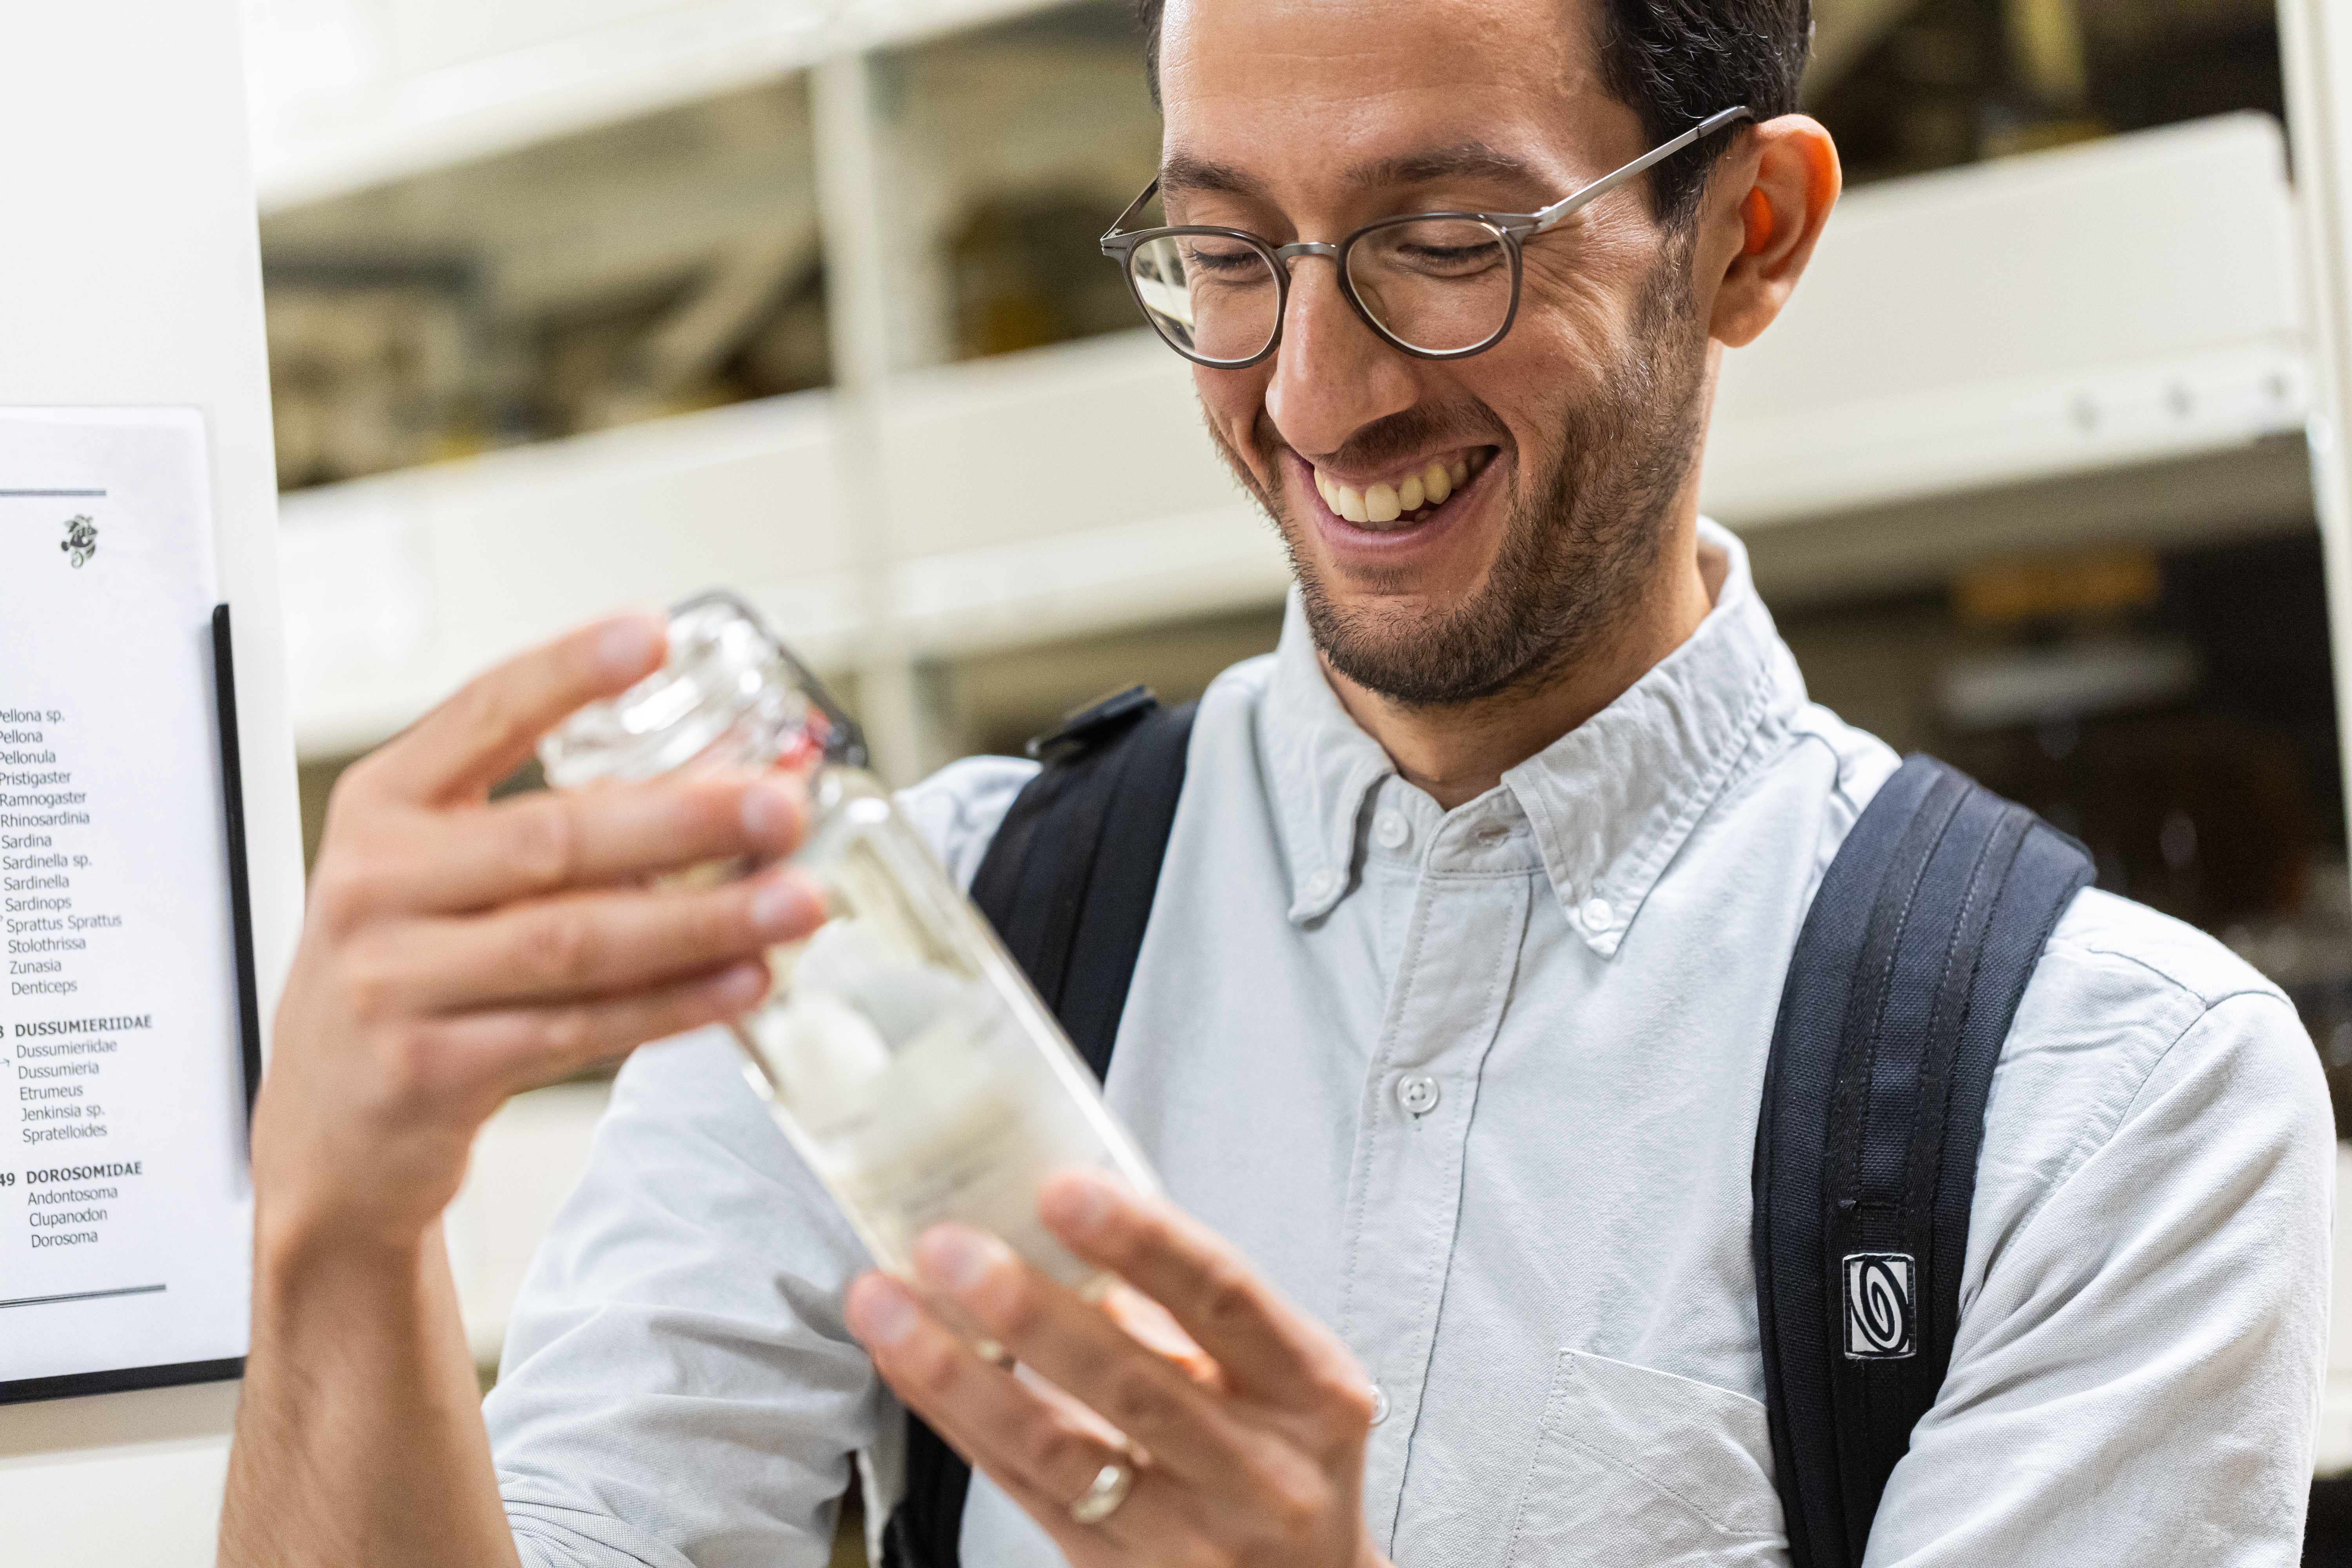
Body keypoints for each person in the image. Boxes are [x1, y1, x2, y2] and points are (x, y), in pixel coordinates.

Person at [218, 0, 2334, 1563]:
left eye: (1447, 239)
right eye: (1226, 257)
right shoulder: (902, 956)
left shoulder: (2109, 1099)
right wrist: (340, 1239)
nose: (1312, 398)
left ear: (1749, 235)